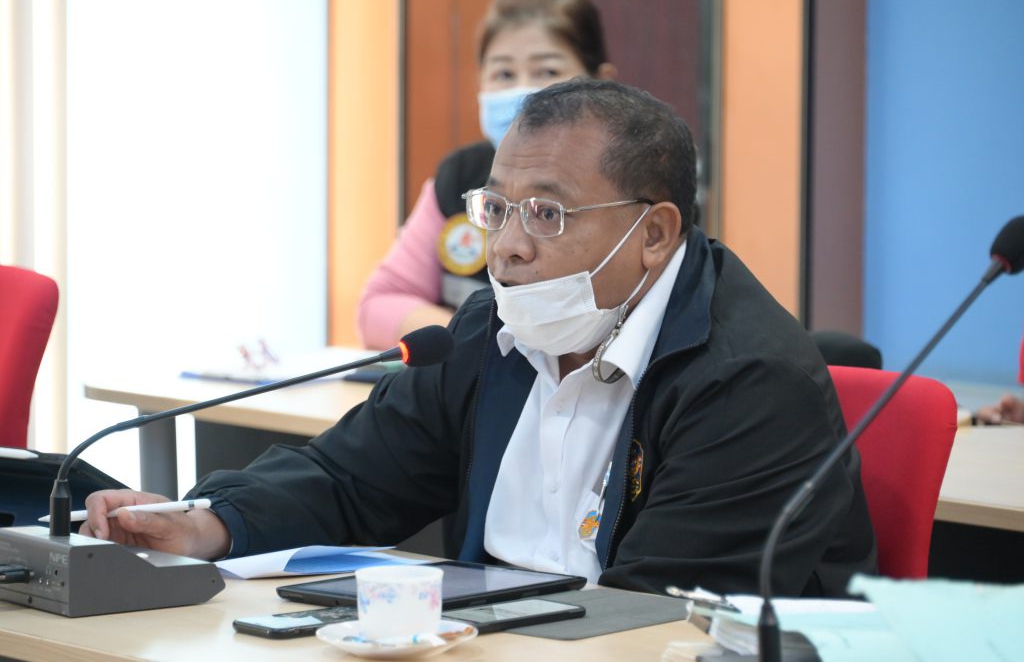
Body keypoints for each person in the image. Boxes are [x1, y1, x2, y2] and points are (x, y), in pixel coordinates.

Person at [83, 80, 876, 598]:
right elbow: (351, 478)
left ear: (655, 234)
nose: (507, 249)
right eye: (496, 209)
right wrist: (208, 522)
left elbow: (656, 618)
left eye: (547, 214)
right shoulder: (488, 332)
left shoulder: (750, 383)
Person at [357, 0, 616, 349]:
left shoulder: (619, 187)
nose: (523, 93)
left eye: (547, 72)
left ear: (601, 85)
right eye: (504, 74)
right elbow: (377, 308)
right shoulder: (458, 179)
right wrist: (478, 344)